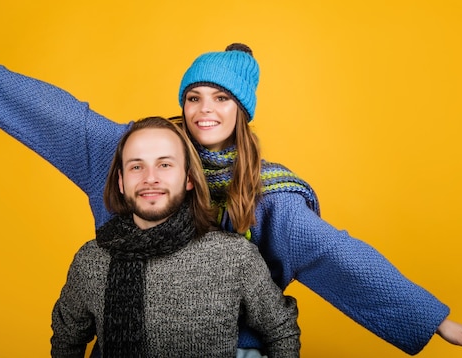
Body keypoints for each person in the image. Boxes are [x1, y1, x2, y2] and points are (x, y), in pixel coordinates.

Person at [0, 23, 462, 357]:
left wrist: (430, 317)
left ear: (242, 110)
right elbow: (63, 117)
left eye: (221, 98)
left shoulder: (269, 194)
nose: (205, 109)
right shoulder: (141, 155)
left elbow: (335, 254)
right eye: (195, 95)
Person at [50, 116, 300, 357]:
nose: (150, 178)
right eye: (136, 166)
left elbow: (280, 329)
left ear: (189, 178)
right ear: (122, 182)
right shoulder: (92, 261)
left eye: (165, 165)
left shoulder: (234, 257)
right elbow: (66, 338)